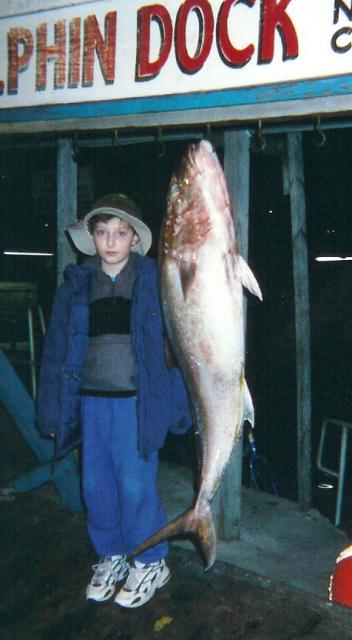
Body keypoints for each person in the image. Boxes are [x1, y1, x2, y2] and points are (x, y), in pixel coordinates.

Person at [37, 193, 191, 609]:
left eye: (120, 233)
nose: (110, 241)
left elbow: (177, 345)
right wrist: (51, 409)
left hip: (135, 404)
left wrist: (180, 407)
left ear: (134, 240)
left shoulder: (155, 282)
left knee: (134, 484)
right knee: (96, 485)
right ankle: (113, 554)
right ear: (91, 238)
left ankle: (152, 560)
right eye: (102, 232)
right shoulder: (76, 286)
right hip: (91, 402)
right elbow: (55, 351)